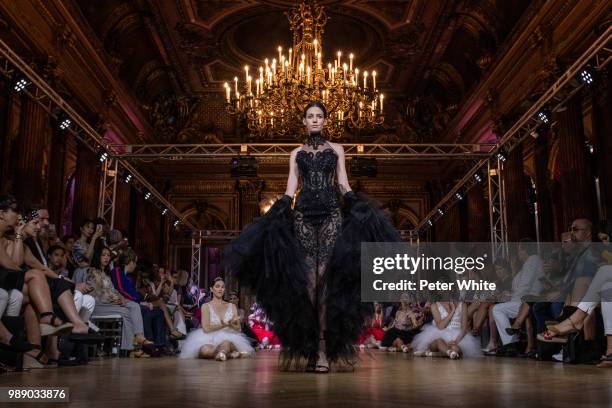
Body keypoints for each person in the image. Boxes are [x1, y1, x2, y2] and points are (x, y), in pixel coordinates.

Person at [224, 100, 401, 372]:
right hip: (303, 216)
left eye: (319, 116)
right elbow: (291, 188)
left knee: (323, 284)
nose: (315, 120)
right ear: (304, 122)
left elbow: (342, 182)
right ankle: (308, 346)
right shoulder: (296, 153)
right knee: (308, 286)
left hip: (331, 214)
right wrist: (279, 209)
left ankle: (321, 349)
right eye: (310, 116)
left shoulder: (337, 149)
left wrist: (356, 203)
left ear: (325, 121)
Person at [180, 277, 254, 360]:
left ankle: (223, 353)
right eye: (217, 286)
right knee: (204, 351)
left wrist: (231, 324)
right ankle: (229, 354)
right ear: (211, 289)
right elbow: (206, 328)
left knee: (225, 343)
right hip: (208, 337)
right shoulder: (206, 306)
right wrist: (223, 325)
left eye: (222, 287)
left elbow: (238, 329)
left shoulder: (232, 306)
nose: (220, 289)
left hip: (228, 336)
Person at [412, 301, 482, 359]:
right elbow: (440, 326)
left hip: (457, 336)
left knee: (456, 349)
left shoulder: (462, 304)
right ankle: (448, 352)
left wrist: (456, 341)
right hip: (439, 334)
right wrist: (452, 311)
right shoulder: (435, 305)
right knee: (439, 341)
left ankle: (434, 354)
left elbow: (464, 328)